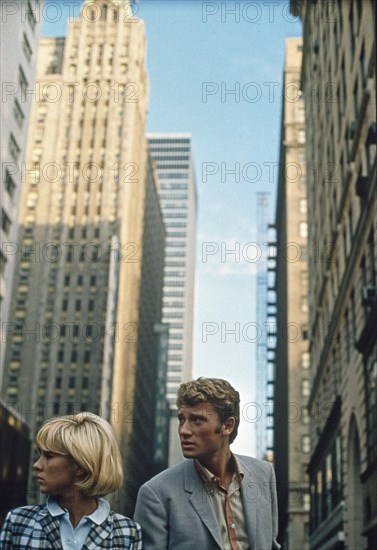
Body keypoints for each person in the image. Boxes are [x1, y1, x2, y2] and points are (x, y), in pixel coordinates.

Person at [134, 377, 280, 550]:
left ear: (227, 425)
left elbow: (270, 544)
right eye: (182, 419)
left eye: (197, 420)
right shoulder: (156, 494)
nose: (184, 430)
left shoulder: (263, 473)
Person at [0, 412, 142, 549]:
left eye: (48, 456)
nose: (37, 465)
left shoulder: (127, 533)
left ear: (80, 466)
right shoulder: (19, 521)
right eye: (40, 455)